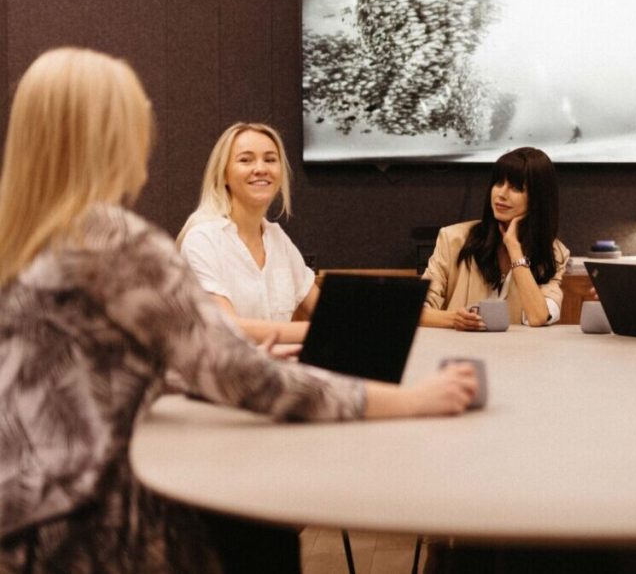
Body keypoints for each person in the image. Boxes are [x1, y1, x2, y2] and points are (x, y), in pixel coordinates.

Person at [0, 47, 479, 573]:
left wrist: (185, 370)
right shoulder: (118, 246)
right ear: (111, 135)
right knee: (261, 535)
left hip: (25, 529)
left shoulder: (20, 240)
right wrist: (414, 400)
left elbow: (83, 375)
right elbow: (248, 381)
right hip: (103, 534)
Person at [178, 122, 314, 347]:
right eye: (246, 160)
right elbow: (226, 327)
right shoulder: (202, 239)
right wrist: (312, 331)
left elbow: (326, 311)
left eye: (270, 159)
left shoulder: (279, 241)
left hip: (278, 374)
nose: (261, 168)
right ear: (223, 175)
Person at [420, 146, 570, 330]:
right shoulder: (452, 239)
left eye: (515, 188)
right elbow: (417, 310)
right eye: (498, 183)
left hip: (516, 356)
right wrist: (454, 319)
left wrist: (514, 249)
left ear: (537, 198)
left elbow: (538, 317)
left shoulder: (554, 253)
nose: (501, 194)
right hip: (459, 353)